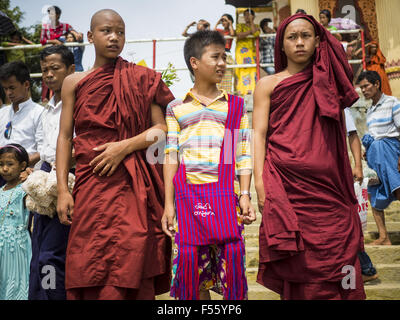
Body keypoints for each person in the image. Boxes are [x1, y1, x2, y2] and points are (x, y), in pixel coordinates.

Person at [56, 9, 174, 300]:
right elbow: (63, 137)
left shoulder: (141, 79)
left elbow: (162, 130)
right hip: (90, 186)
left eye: (120, 32)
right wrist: (62, 189)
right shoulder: (74, 82)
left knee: (131, 254)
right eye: (107, 31)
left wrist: (124, 147)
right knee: (88, 258)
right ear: (90, 36)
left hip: (132, 187)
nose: (114, 38)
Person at [253, 13, 365, 299]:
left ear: (318, 41)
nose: (300, 42)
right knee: (297, 263)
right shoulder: (268, 85)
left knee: (340, 257)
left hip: (330, 189)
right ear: (281, 45)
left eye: (306, 36)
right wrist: (259, 183)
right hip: (287, 186)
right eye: (292, 37)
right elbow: (258, 135)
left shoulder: (328, 82)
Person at [162, 30, 256, 300]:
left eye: (224, 57)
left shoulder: (234, 107)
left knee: (233, 265)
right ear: (194, 62)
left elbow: (241, 153)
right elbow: (171, 156)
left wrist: (245, 194)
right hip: (188, 201)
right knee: (193, 273)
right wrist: (169, 205)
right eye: (215, 57)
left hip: (226, 197)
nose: (222, 64)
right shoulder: (177, 108)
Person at [28, 45, 76, 300]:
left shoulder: (79, 103)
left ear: (71, 69)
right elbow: (43, 149)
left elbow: (77, 144)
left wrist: (61, 179)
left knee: (52, 256)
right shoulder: (48, 107)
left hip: (65, 179)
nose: (48, 75)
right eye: (44, 69)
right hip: (43, 180)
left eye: (55, 69)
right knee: (38, 254)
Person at [358, 70, 400, 246]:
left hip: (390, 152)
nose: (364, 91)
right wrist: (368, 150)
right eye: (361, 88)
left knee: (398, 187)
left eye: (366, 86)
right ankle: (384, 237)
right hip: (375, 156)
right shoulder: (370, 110)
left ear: (376, 84)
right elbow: (374, 134)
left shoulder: (393, 102)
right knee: (373, 193)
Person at [345, 107, 379, 282]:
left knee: (346, 222)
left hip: (340, 172)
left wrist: (358, 165)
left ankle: (365, 268)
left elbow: (352, 134)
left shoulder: (340, 105)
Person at [0, 144, 32, 300]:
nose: (4, 169)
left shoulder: (25, 189)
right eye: (1, 164)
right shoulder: (0, 191)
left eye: (10, 164)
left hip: (17, 247)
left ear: (23, 166)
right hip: (1, 245)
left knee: (16, 282)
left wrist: (31, 176)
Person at [0, 61, 44, 168]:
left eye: (12, 88)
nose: (8, 93)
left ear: (26, 84)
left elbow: (43, 151)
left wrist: (18, 167)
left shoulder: (39, 113)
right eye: (5, 89)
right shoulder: (2, 113)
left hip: (27, 174)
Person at [235, 9, 260, 96]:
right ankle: (241, 92)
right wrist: (250, 32)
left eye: (248, 15)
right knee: (241, 70)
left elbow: (256, 34)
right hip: (241, 52)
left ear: (253, 16)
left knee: (252, 70)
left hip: (251, 52)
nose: (246, 17)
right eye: (245, 15)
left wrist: (251, 22)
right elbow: (239, 35)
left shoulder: (256, 25)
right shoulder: (240, 25)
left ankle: (252, 91)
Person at [214, 14, 235, 93]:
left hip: (227, 54)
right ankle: (217, 94)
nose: (223, 22)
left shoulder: (231, 30)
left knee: (228, 75)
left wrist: (230, 24)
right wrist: (218, 22)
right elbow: (213, 31)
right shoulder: (220, 31)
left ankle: (227, 95)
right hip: (219, 53)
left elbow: (232, 34)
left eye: (225, 20)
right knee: (218, 75)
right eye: (222, 20)